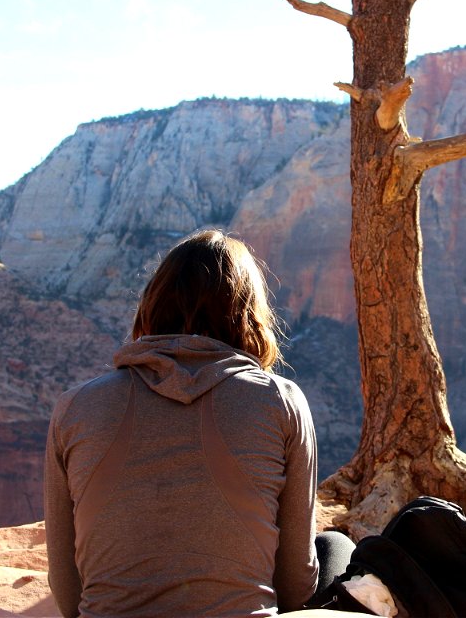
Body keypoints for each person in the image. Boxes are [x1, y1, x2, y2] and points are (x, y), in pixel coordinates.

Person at [45, 229, 343, 617]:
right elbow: (294, 583)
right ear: (249, 313)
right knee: (335, 547)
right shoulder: (280, 401)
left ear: (152, 304)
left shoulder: (75, 406)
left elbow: (67, 589)